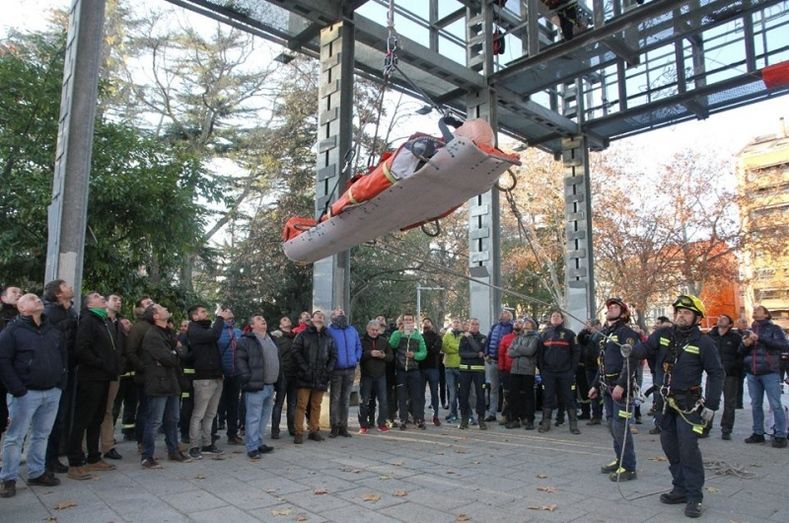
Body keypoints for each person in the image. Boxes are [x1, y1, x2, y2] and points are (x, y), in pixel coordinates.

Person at [634, 295, 724, 518]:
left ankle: (695, 496)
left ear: (696, 318)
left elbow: (716, 373)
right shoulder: (664, 335)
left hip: (688, 406)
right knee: (670, 447)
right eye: (678, 312)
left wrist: (711, 405)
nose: (681, 316)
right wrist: (629, 350)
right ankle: (680, 488)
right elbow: (644, 349)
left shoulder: (704, 343)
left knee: (688, 450)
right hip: (665, 403)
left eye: (686, 312)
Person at [0, 293, 67, 497]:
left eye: (38, 298)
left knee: (41, 434)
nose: (37, 300)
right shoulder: (12, 331)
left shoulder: (51, 330)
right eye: (30, 298)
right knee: (15, 437)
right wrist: (18, 389)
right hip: (25, 394)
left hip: (52, 391)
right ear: (21, 308)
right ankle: (8, 478)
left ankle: (37, 472)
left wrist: (60, 382)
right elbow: (3, 361)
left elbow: (63, 357)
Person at [68, 292, 121, 480]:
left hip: (104, 377)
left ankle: (94, 457)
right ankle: (74, 462)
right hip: (90, 377)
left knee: (97, 418)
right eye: (98, 296)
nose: (102, 298)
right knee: (83, 418)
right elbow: (82, 348)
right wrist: (100, 363)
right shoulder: (88, 320)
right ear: (89, 304)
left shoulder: (104, 321)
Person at [588, 298, 641, 482]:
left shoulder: (626, 333)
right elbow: (601, 363)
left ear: (624, 312)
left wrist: (621, 384)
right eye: (609, 307)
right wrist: (595, 385)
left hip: (621, 388)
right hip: (606, 386)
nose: (611, 309)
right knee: (612, 425)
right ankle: (620, 460)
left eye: (615, 307)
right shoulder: (605, 334)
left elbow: (632, 360)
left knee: (621, 426)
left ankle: (628, 466)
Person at [141, 304, 191, 467]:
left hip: (172, 381)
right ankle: (147, 455)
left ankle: (173, 450)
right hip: (158, 383)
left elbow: (182, 352)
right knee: (155, 420)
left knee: (172, 419)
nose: (166, 309)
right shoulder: (153, 335)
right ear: (155, 316)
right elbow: (168, 358)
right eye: (162, 308)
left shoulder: (168, 333)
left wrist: (175, 353)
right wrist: (175, 353)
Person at [187, 305, 231, 460]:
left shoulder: (206, 329)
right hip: (204, 378)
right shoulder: (194, 329)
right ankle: (193, 446)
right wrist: (220, 317)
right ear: (194, 316)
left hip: (216, 376)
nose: (206, 313)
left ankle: (207, 444)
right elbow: (214, 335)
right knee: (198, 414)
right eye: (203, 312)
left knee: (211, 414)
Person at [741, 305, 789, 447]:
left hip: (770, 372)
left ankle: (780, 435)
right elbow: (741, 351)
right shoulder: (748, 330)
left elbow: (784, 345)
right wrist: (745, 344)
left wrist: (760, 338)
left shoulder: (775, 329)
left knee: (775, 404)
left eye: (758, 310)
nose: (755, 311)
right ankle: (758, 433)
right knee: (755, 404)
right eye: (754, 310)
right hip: (752, 372)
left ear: (766, 315)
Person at [43, 280, 78, 475]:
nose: (70, 287)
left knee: (62, 417)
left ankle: (55, 456)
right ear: (58, 293)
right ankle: (45, 461)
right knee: (50, 419)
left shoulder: (72, 312)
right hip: (55, 370)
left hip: (70, 369)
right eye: (65, 286)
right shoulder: (48, 313)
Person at [236, 314, 279, 459]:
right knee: (253, 417)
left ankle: (259, 442)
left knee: (264, 417)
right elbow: (240, 362)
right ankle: (252, 447)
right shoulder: (246, 340)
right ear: (252, 325)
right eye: (259, 319)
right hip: (255, 386)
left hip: (270, 385)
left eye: (263, 318)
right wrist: (247, 378)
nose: (263, 320)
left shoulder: (271, 339)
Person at [292, 310, 336, 444]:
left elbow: (333, 355)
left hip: (321, 376)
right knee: (301, 405)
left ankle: (314, 430)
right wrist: (304, 368)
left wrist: (328, 370)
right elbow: (295, 351)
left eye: (322, 316)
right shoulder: (303, 335)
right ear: (312, 319)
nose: (320, 317)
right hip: (305, 376)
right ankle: (298, 432)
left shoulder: (328, 337)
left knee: (316, 405)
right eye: (317, 316)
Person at [537, 311, 580, 434]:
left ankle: (573, 424)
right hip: (549, 372)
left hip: (565, 372)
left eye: (558, 316)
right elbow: (540, 354)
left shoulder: (570, 334)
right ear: (550, 319)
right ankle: (546, 422)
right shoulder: (544, 335)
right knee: (548, 397)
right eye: (553, 316)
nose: (555, 318)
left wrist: (572, 370)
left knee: (569, 397)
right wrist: (542, 369)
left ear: (562, 320)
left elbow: (576, 353)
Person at [388, 312, 427, 430]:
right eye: (406, 320)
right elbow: (391, 346)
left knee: (417, 396)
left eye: (410, 320)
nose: (408, 322)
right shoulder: (397, 333)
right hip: (401, 370)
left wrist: (415, 355)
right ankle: (403, 419)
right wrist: (399, 333)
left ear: (413, 322)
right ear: (402, 321)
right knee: (401, 396)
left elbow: (424, 352)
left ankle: (418, 419)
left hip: (414, 370)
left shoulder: (418, 335)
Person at [327, 307, 362, 438]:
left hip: (350, 369)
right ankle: (334, 426)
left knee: (345, 399)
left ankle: (343, 426)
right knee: (335, 398)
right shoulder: (329, 331)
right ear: (333, 317)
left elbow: (359, 346)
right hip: (336, 369)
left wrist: (356, 357)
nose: (342, 313)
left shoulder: (352, 330)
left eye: (342, 311)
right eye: (338, 312)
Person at [708, 314, 742, 440]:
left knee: (729, 403)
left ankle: (726, 429)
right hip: (713, 374)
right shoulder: (711, 336)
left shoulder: (735, 337)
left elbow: (741, 354)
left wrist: (734, 367)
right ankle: (706, 427)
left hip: (730, 374)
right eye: (719, 318)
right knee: (709, 401)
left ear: (730, 324)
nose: (720, 319)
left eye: (724, 318)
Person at [100, 294, 126, 461]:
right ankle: (86, 448)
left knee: (108, 411)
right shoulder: (99, 322)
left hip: (114, 373)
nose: (118, 302)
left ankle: (108, 446)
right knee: (94, 411)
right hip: (98, 373)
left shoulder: (118, 325)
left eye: (120, 300)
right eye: (114, 300)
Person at [359, 320, 393, 433]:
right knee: (364, 401)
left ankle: (382, 424)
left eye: (376, 330)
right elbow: (358, 357)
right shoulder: (361, 341)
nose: (374, 332)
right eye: (372, 330)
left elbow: (391, 357)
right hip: (366, 376)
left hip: (380, 375)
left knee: (383, 401)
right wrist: (370, 353)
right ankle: (363, 425)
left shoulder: (384, 341)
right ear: (368, 329)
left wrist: (383, 356)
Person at [505, 318, 539, 429]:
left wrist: (517, 348)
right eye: (525, 323)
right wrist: (520, 350)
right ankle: (514, 419)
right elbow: (509, 353)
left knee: (528, 395)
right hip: (515, 370)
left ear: (533, 326)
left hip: (528, 370)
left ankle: (529, 420)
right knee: (513, 395)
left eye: (528, 323)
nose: (526, 324)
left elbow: (530, 351)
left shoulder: (535, 338)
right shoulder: (517, 338)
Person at [217, 309, 243, 445]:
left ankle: (232, 434)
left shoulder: (238, 332)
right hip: (221, 374)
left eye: (230, 310)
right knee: (217, 405)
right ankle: (212, 435)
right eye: (225, 311)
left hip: (236, 374)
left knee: (234, 405)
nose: (229, 312)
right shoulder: (216, 331)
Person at [0, 285, 23, 439]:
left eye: (20, 293)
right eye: (14, 292)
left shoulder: (25, 319)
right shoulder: (4, 319)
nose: (18, 294)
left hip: (20, 375)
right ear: (3, 298)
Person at [458, 318, 488, 430]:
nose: (474, 326)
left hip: (478, 371)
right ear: (469, 325)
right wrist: (476, 355)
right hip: (464, 370)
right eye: (472, 324)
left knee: (480, 396)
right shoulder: (463, 338)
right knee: (463, 395)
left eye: (476, 324)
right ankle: (464, 419)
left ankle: (481, 419)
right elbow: (461, 353)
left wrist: (470, 338)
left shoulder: (483, 338)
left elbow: (479, 348)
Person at [271, 316, 297, 439]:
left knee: (292, 404)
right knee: (279, 403)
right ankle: (275, 430)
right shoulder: (277, 337)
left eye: (288, 319)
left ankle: (291, 428)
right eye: (284, 320)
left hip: (294, 374)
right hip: (283, 374)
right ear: (281, 325)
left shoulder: (295, 337)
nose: (287, 320)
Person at [484, 310, 513, 422]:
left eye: (507, 313)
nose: (504, 315)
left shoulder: (511, 327)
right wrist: (486, 354)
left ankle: (505, 414)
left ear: (510, 316)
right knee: (493, 388)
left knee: (506, 390)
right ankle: (492, 413)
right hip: (492, 361)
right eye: (503, 313)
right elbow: (488, 340)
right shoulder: (494, 326)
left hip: (505, 363)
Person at [577, 320, 604, 425]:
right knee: (591, 391)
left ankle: (598, 414)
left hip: (598, 367)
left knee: (597, 391)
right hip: (589, 367)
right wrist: (584, 330)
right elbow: (580, 339)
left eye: (592, 325)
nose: (590, 327)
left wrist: (595, 331)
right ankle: (594, 415)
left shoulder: (600, 335)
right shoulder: (588, 336)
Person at [420, 317, 443, 426]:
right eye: (424, 323)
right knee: (420, 394)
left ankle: (435, 416)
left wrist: (425, 348)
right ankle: (421, 416)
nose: (426, 324)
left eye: (428, 322)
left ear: (432, 325)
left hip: (433, 368)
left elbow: (435, 350)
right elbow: (419, 350)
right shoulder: (419, 337)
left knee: (434, 393)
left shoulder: (437, 337)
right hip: (421, 368)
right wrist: (428, 348)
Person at [441, 319, 463, 423]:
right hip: (449, 367)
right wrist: (456, 349)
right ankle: (453, 413)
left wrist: (452, 347)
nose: (456, 324)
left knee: (462, 392)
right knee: (452, 392)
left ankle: (464, 413)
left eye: (458, 322)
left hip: (460, 366)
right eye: (454, 322)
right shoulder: (447, 335)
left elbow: (462, 348)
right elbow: (444, 348)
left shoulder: (463, 336)